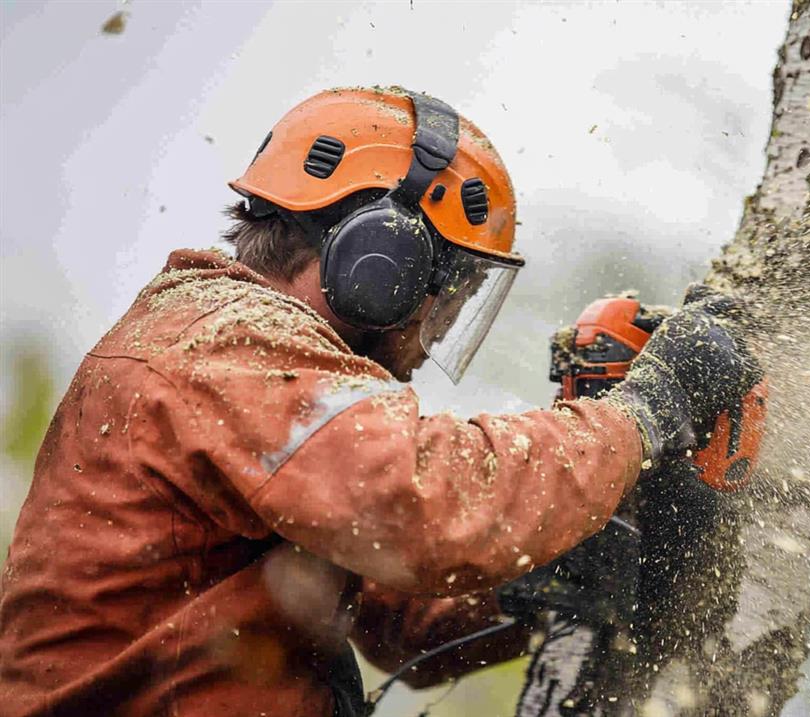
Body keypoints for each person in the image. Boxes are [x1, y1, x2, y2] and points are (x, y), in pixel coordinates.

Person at [0, 87, 758, 717]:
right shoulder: (227, 341)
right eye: (448, 295)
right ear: (381, 258)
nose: (433, 339)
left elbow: (399, 614)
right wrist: (646, 409)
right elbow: (428, 502)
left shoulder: (221, 352)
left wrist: (539, 575)